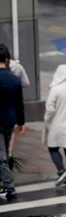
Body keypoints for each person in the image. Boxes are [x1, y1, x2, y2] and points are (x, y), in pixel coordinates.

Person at [0, 46, 25, 198]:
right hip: (9, 121)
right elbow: (19, 104)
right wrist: (21, 123)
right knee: (5, 152)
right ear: (7, 60)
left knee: (2, 154)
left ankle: (9, 186)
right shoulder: (14, 80)